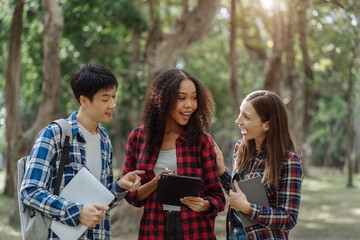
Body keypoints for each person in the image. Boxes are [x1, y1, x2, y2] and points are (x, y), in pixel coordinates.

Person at [20, 63, 144, 239]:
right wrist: (77, 212)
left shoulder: (104, 141)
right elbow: (30, 191)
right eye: (105, 99)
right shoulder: (55, 134)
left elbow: (101, 202)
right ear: (84, 100)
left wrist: (119, 186)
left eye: (114, 97)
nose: (113, 104)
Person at [121, 69, 226, 240]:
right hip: (154, 229)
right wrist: (155, 183)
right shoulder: (138, 138)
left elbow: (218, 197)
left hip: (195, 230)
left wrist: (204, 205)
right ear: (164, 99)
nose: (190, 105)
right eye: (181, 98)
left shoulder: (202, 141)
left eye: (193, 98)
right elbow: (132, 196)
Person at [214, 90, 303, 240]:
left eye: (246, 117)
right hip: (235, 233)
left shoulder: (289, 161)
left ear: (267, 125)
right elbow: (239, 193)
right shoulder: (240, 148)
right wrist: (222, 171)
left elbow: (288, 218)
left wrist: (248, 209)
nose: (238, 121)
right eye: (240, 113)